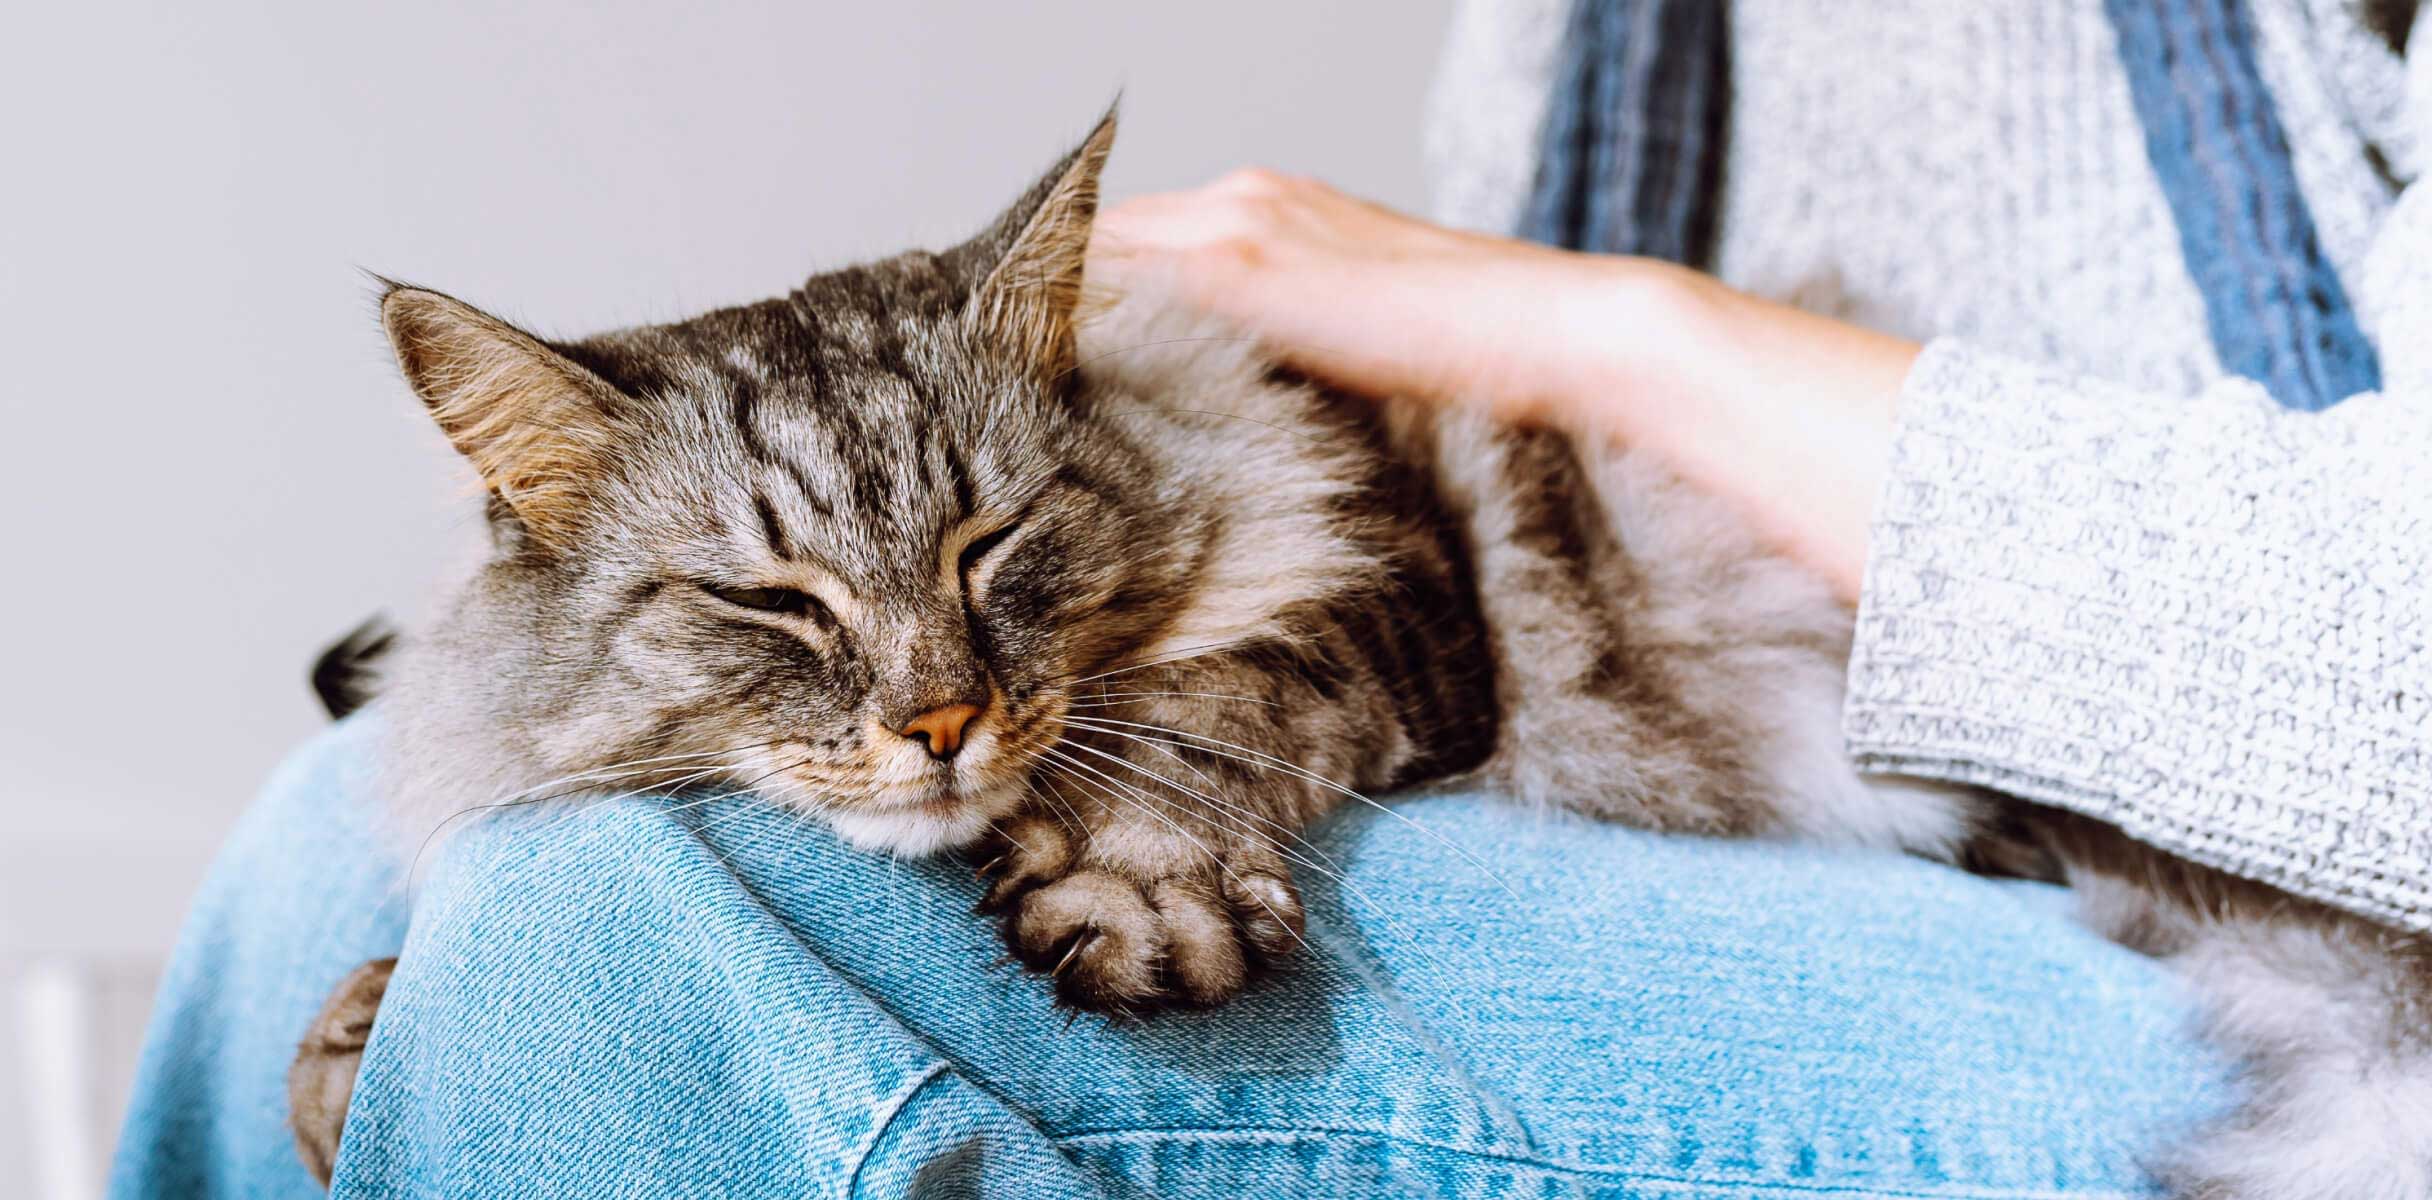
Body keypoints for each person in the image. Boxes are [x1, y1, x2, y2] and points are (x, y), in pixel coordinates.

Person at [113, 2, 2426, 1197]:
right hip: (1771, 814)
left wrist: (1610, 326)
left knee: (598, 937)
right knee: (328, 834)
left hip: (2272, 909)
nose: (918, 703)